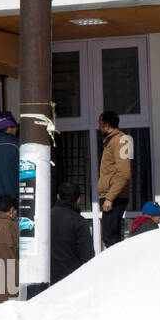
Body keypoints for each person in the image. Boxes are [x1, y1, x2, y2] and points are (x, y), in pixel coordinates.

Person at [97, 110, 132, 248]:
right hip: (112, 196)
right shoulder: (112, 141)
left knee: (110, 237)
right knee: (112, 236)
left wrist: (110, 197)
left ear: (106, 125)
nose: (99, 127)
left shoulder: (120, 140)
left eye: (100, 124)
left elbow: (124, 173)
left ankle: (118, 267)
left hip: (115, 197)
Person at [49, 181, 93, 286]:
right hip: (71, 280)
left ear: (58, 197)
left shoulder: (44, 218)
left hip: (45, 278)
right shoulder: (79, 221)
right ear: (78, 200)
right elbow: (87, 256)